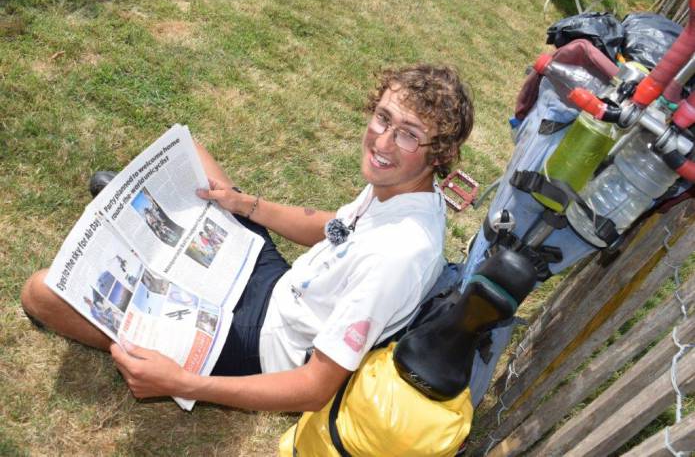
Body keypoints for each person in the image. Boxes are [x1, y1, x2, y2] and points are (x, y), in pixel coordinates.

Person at [20, 64, 474, 412]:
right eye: (383, 118)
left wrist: (184, 384)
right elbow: (333, 226)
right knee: (190, 151)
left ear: (440, 154)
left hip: (263, 345)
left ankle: (146, 289)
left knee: (41, 292)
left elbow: (315, 389)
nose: (383, 142)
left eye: (409, 135)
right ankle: (150, 218)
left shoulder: (398, 255)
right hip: (280, 286)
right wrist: (243, 204)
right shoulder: (404, 189)